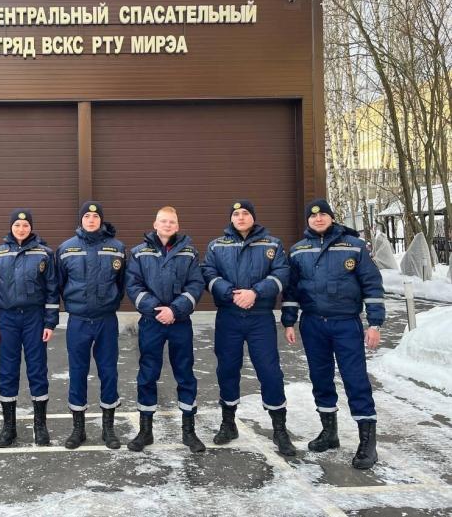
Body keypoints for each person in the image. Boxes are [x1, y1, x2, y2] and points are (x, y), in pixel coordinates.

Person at [281, 199, 385, 469]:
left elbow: (372, 285)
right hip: (313, 324)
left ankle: (367, 443)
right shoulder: (298, 250)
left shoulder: (354, 246)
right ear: (308, 220)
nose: (318, 219)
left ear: (331, 217)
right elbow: (292, 290)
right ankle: (329, 433)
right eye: (313, 216)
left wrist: (375, 324)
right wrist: (289, 321)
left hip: (346, 324)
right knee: (320, 379)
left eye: (323, 215)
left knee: (355, 379)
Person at [201, 200, 295, 456]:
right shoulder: (217, 245)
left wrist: (255, 292)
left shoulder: (272, 244)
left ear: (253, 217)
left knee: (270, 371)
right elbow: (208, 273)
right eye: (236, 214)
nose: (240, 217)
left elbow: (282, 274)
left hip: (260, 318)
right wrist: (231, 293)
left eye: (245, 213)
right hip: (229, 317)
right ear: (231, 219)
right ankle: (228, 424)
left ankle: (279, 430)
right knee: (227, 370)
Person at [125, 206, 206, 453]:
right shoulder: (139, 252)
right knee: (148, 374)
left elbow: (196, 284)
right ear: (155, 224)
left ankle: (189, 432)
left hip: (179, 322)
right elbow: (133, 285)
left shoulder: (189, 252)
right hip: (151, 322)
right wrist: (157, 310)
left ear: (177, 226)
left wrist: (175, 310)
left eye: (172, 222)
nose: (167, 225)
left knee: (185, 373)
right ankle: (145, 431)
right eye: (163, 221)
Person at [0, 209, 60, 447]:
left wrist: (50, 322)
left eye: (25, 225)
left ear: (31, 228)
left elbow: (52, 290)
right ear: (11, 227)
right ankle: (9, 427)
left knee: (37, 369)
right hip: (7, 319)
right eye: (17, 225)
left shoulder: (44, 253)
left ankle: (40, 425)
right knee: (7, 371)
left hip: (34, 318)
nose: (21, 229)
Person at [57, 201, 126, 450]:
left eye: (95, 217)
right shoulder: (66, 249)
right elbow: (60, 283)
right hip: (78, 321)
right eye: (86, 216)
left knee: (108, 371)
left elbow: (121, 284)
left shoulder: (117, 248)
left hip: (106, 320)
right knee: (77, 371)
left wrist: (109, 303)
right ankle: (79, 429)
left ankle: (108, 429)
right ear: (81, 220)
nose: (91, 220)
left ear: (101, 220)